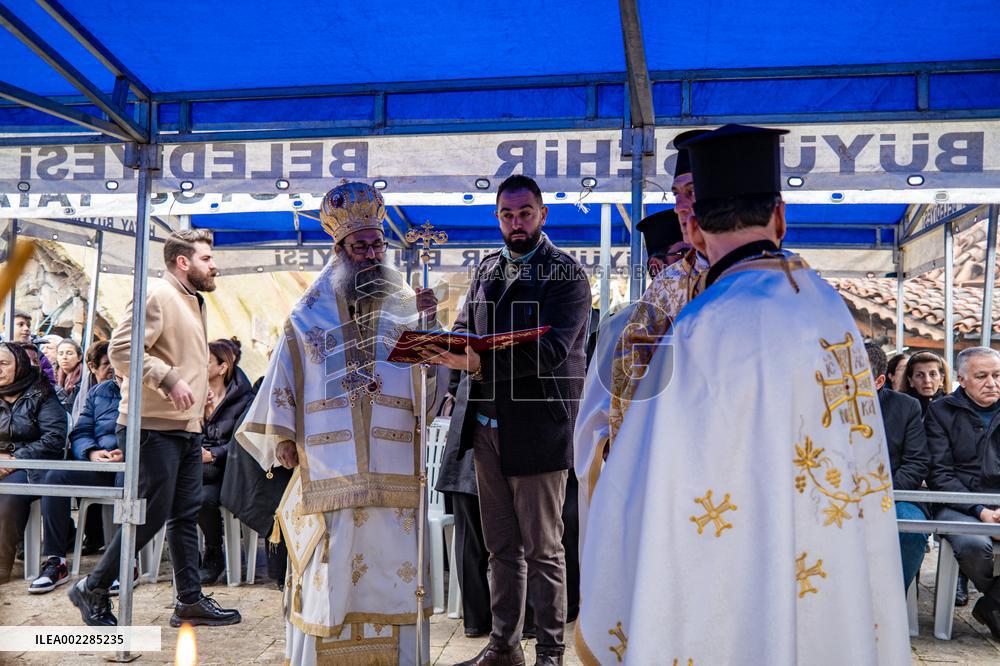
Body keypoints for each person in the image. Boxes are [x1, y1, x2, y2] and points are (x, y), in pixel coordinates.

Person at [576, 124, 910, 664]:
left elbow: (646, 467)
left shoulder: (704, 323)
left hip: (733, 549)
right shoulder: (829, 309)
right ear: (780, 216)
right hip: (830, 545)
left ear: (698, 228)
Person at [236, 181, 446, 666]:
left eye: (377, 243)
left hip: (394, 468)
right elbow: (285, 372)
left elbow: (427, 388)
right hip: (330, 468)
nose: (371, 253)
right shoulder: (308, 315)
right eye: (361, 245)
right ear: (341, 249)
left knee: (394, 570)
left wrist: (432, 330)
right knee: (330, 576)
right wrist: (284, 435)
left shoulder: (407, 309)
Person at [428, 174, 591, 666]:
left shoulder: (566, 275)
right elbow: (466, 328)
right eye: (506, 214)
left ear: (543, 215)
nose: (515, 222)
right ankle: (503, 647)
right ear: (496, 218)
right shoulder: (485, 270)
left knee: (543, 549)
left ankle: (550, 652)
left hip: (539, 428)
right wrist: (437, 343)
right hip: (484, 428)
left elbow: (553, 351)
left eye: (524, 213)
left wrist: (478, 361)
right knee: (500, 548)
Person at [68, 229, 241, 629]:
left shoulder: (190, 299)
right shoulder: (156, 294)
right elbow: (123, 350)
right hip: (152, 427)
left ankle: (189, 601)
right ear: (183, 262)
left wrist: (199, 396)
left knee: (185, 513)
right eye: (206, 258)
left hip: (184, 427)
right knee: (151, 514)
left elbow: (181, 357)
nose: (213, 264)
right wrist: (168, 379)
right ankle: (93, 586)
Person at [575, 130, 708, 545]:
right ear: (655, 265)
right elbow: (605, 411)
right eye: (677, 193)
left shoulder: (766, 284)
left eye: (692, 192)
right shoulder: (642, 310)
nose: (682, 206)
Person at [926, 346, 1000, 639]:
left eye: (997, 375)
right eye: (981, 376)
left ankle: (992, 604)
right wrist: (982, 511)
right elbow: (939, 474)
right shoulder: (941, 411)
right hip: (959, 503)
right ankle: (994, 603)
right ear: (961, 379)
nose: (992, 383)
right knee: (973, 545)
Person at [28, 365, 123, 593]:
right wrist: (91, 452)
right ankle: (56, 561)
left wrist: (128, 453)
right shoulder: (99, 392)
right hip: (100, 464)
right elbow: (81, 432)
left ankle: (125, 561)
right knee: (55, 476)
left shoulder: (153, 391)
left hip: (138, 467)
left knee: (125, 477)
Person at [0, 342, 68, 583]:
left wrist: (15, 459)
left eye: (4, 364)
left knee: (7, 495)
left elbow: (54, 438)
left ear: (19, 365)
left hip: (32, 465)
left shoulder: (42, 393)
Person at [866, 343, 930, 592]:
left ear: (879, 380)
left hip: (896, 494)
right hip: (839, 497)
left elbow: (917, 463)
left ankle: (888, 602)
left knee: (911, 528)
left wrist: (879, 493)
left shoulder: (905, 407)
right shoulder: (823, 407)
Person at [197, 338, 254, 584]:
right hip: (200, 469)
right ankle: (191, 557)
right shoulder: (193, 395)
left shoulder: (244, 400)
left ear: (222, 367)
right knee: (184, 492)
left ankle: (213, 552)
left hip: (231, 470)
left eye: (206, 361)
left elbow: (245, 440)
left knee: (203, 496)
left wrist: (214, 454)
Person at [905, 350, 951, 415]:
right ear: (910, 380)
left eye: (933, 374)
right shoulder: (901, 406)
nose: (927, 380)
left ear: (941, 379)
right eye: (920, 375)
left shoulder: (953, 406)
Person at [55, 339, 84, 410]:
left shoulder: (84, 378)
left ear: (79, 357)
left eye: (69, 353)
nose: (64, 357)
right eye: (61, 353)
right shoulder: (52, 377)